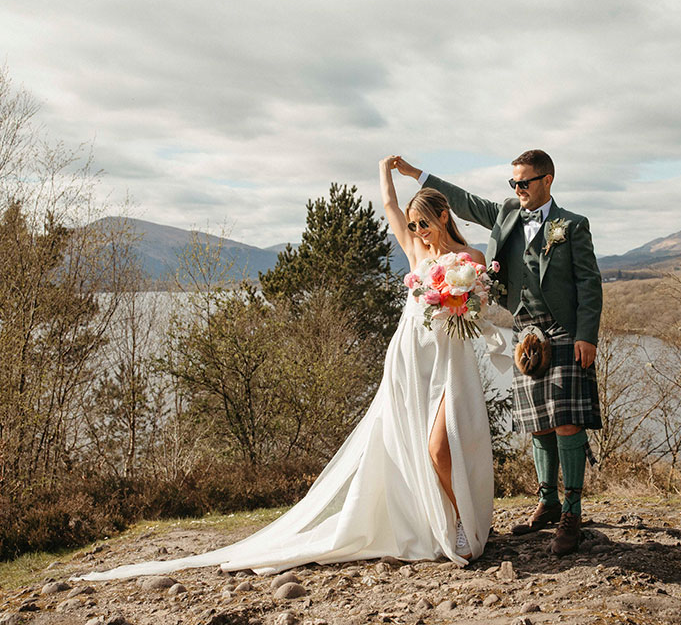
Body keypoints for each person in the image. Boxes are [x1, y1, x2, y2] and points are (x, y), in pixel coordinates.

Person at [77, 156, 504, 581]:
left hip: (450, 360)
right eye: (413, 226)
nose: (416, 232)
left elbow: (483, 312)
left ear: (443, 216)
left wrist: (466, 306)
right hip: (410, 359)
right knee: (412, 445)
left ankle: (464, 522)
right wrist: (384, 170)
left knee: (440, 446)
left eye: (423, 224)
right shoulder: (415, 252)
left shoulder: (472, 257)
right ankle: (440, 522)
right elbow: (390, 206)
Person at [394, 149, 602, 556]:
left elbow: (589, 282)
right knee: (539, 423)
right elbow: (465, 201)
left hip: (563, 330)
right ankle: (548, 502)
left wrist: (587, 335)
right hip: (525, 330)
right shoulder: (507, 213)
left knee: (566, 422)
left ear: (547, 180)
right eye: (514, 183)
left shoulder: (573, 225)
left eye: (525, 182)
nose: (518, 189)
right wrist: (415, 173)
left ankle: (572, 514)